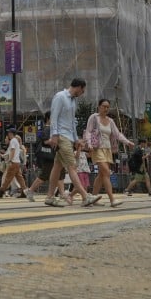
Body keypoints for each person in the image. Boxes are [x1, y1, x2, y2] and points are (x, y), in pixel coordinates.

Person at [43, 78, 101, 208]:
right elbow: (54, 117)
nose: (83, 93)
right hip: (61, 136)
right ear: (79, 87)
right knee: (72, 166)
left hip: (68, 137)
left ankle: (50, 197)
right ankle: (85, 196)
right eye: (83, 90)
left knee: (57, 167)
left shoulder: (73, 101)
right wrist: (55, 135)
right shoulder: (60, 96)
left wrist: (76, 140)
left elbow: (72, 123)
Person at [84, 98, 134, 207]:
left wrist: (127, 142)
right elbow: (88, 131)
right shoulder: (94, 118)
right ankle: (112, 199)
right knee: (106, 172)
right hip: (97, 149)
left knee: (101, 175)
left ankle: (93, 198)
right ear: (99, 106)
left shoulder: (110, 121)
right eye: (104, 106)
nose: (106, 109)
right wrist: (89, 144)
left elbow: (117, 134)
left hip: (108, 150)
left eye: (108, 107)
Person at [0, 126, 29, 198]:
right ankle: (25, 191)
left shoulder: (13, 141)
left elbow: (12, 151)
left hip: (13, 162)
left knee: (8, 178)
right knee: (20, 178)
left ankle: (1, 191)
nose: (8, 134)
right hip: (17, 162)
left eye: (8, 133)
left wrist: (10, 160)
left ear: (11, 133)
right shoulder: (15, 141)